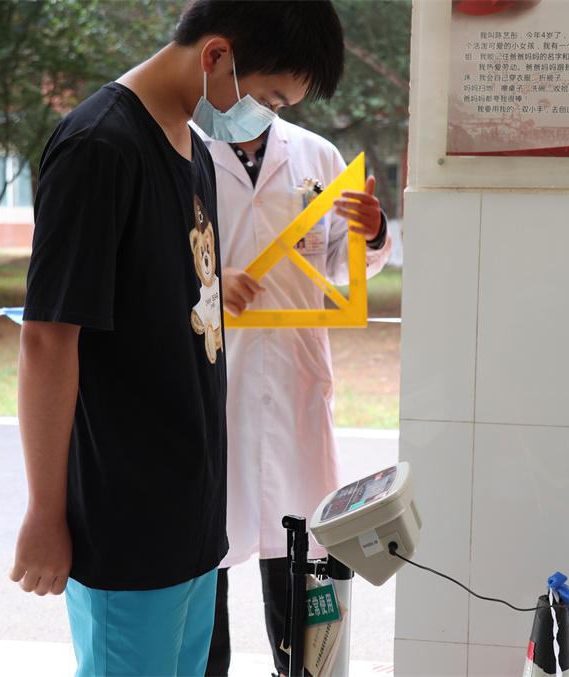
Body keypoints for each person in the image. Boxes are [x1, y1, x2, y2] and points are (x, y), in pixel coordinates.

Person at [8, 2, 345, 675]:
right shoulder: (100, 146)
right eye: (268, 99)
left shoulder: (191, 150)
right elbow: (48, 339)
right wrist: (46, 510)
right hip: (127, 519)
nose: (266, 118)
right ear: (217, 55)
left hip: (194, 514)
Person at [198, 114, 392, 676]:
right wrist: (210, 284)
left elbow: (338, 264)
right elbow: (156, 260)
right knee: (205, 559)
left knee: (301, 555)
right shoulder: (186, 151)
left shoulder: (317, 155)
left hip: (295, 376)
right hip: (215, 374)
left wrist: (372, 233)